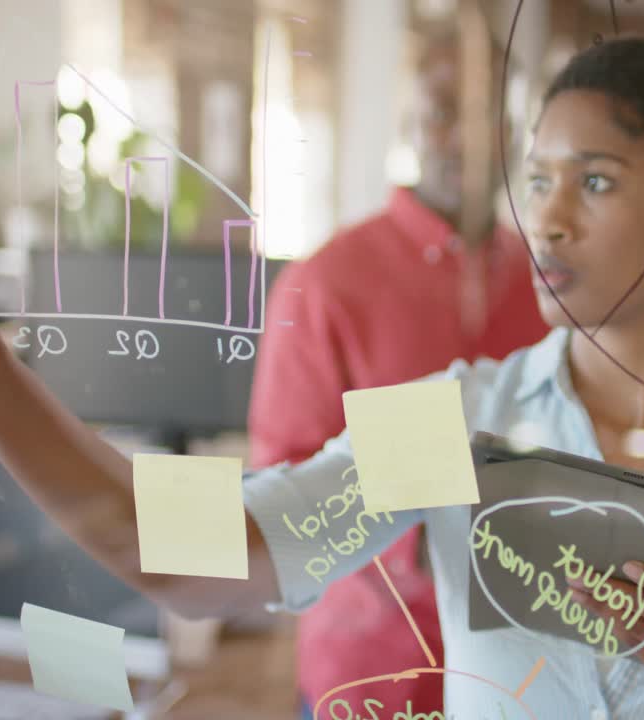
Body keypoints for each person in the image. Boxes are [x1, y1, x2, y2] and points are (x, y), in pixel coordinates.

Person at [0, 36, 644, 719]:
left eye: (595, 181)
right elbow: (186, 556)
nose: (547, 218)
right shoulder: (451, 422)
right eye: (539, 178)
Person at [247, 30, 548, 717]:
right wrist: (437, 533)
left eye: (488, 112)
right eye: (444, 109)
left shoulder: (546, 288)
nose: (467, 137)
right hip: (374, 673)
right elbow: (280, 481)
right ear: (407, 123)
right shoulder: (323, 284)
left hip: (524, 680)